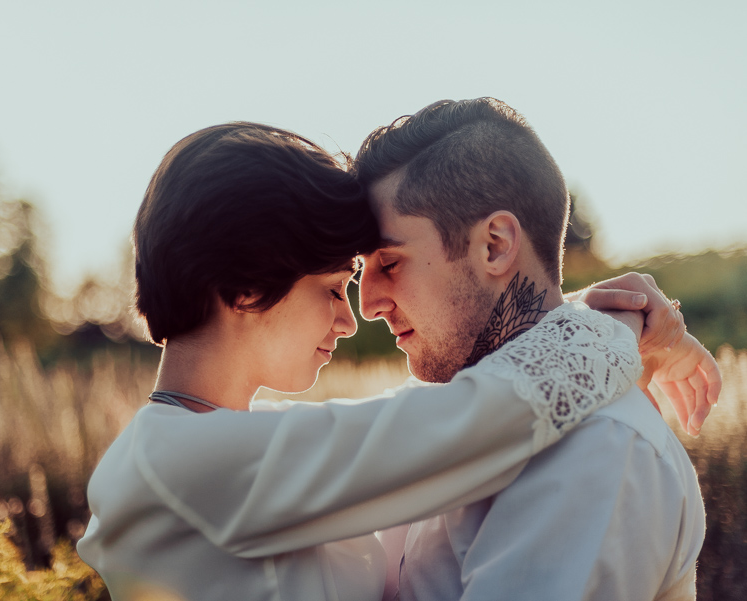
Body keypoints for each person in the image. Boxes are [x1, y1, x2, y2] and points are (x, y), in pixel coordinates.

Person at [76, 122, 716, 601]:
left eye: (388, 264)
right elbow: (471, 418)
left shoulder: (234, 452)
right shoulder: (181, 465)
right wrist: (616, 327)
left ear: (496, 245)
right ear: (244, 288)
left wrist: (575, 312)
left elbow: (438, 424)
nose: (360, 314)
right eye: (335, 288)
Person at [354, 97, 718, 600]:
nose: (367, 304)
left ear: (496, 245)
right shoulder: (444, 416)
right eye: (359, 270)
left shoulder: (595, 447)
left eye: (390, 264)